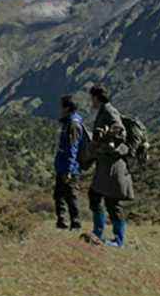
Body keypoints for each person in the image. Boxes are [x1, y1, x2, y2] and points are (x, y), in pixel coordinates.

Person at [86, 85, 134, 248]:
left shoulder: (109, 111)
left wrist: (105, 141)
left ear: (96, 97)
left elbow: (119, 132)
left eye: (91, 97)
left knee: (112, 202)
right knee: (96, 196)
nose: (90, 101)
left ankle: (118, 241)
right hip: (106, 166)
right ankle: (98, 234)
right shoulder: (105, 110)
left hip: (114, 167)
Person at [53, 95, 83, 230]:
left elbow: (73, 148)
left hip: (69, 167)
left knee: (70, 196)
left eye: (62, 107)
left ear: (67, 108)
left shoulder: (73, 124)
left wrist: (69, 170)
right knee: (59, 195)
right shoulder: (68, 122)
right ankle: (62, 222)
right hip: (63, 165)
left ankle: (75, 223)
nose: (60, 110)